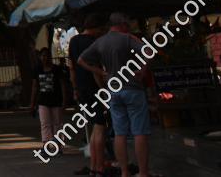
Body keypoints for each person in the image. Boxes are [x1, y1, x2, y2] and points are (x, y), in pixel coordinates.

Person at [79, 12, 153, 177]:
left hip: (114, 90)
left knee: (119, 133)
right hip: (133, 89)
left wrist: (100, 71)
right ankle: (143, 172)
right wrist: (141, 70)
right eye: (126, 24)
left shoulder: (100, 42)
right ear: (122, 25)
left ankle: (124, 171)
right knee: (139, 131)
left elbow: (81, 60)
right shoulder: (127, 39)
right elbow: (148, 51)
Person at [69, 15, 108, 177]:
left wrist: (75, 88)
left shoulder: (74, 41)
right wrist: (104, 89)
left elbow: (71, 67)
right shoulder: (93, 43)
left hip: (82, 89)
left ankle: (94, 166)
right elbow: (94, 70)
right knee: (100, 128)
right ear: (95, 28)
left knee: (93, 128)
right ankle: (98, 167)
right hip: (94, 89)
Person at [30, 47, 66, 144]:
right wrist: (32, 104)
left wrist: (64, 101)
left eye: (47, 56)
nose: (45, 58)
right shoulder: (37, 69)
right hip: (43, 101)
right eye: (43, 56)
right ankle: (46, 144)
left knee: (57, 124)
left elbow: (62, 85)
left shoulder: (56, 69)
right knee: (45, 124)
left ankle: (58, 145)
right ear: (40, 57)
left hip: (56, 101)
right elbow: (34, 87)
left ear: (50, 57)